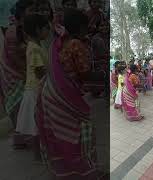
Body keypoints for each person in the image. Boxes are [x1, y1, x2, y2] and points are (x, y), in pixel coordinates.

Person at [35, 9, 105, 179]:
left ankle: (65, 171)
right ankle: (84, 171)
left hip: (51, 95)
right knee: (78, 134)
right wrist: (103, 75)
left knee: (61, 135)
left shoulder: (59, 42)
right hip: (64, 98)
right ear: (82, 28)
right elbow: (84, 73)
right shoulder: (76, 45)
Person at [0, 0, 36, 149]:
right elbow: (14, 57)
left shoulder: (25, 29)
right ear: (22, 12)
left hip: (23, 72)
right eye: (31, 10)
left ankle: (23, 138)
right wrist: (25, 73)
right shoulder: (12, 31)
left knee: (23, 106)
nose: (34, 13)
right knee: (17, 106)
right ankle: (21, 139)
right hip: (13, 75)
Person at [16, 14, 49, 160]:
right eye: (46, 29)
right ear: (38, 30)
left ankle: (39, 153)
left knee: (37, 126)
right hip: (36, 91)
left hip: (34, 89)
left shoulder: (34, 46)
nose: (48, 32)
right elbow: (40, 71)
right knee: (37, 126)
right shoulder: (35, 48)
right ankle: (38, 155)